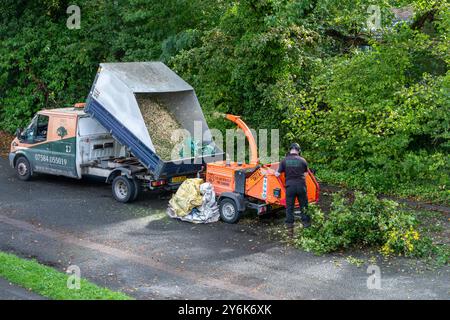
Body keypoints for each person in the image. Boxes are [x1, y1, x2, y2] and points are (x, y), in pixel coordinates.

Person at [275, 143, 311, 237]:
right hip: (301, 187)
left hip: (290, 187)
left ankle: (290, 231)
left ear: (290, 150)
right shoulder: (303, 160)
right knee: (304, 207)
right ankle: (306, 227)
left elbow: (277, 174)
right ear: (298, 150)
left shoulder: (284, 161)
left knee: (290, 208)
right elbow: (306, 174)